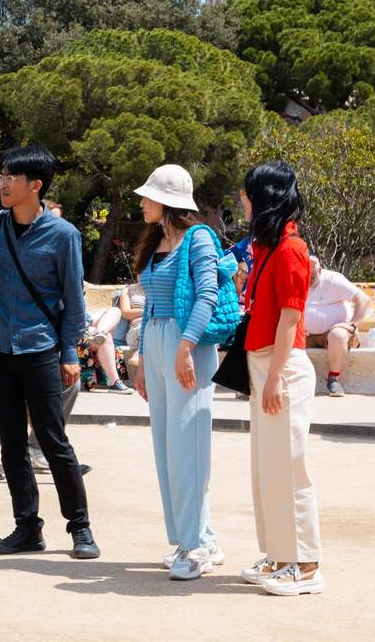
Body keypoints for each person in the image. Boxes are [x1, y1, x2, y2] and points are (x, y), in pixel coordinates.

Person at [0, 146, 99, 560]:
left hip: (41, 346)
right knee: (10, 444)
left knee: (53, 440)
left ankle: (80, 528)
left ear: (35, 185)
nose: (3, 183)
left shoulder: (64, 236)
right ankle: (27, 527)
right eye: (1, 175)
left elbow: (73, 301)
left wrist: (68, 352)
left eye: (11, 177)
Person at [129, 164, 223, 581]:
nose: (142, 201)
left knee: (189, 453)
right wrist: (145, 361)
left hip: (189, 346)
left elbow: (207, 295)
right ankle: (196, 536)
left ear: (167, 201)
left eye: (148, 196)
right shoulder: (155, 241)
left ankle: (196, 545)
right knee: (168, 451)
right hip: (159, 344)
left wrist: (184, 347)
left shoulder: (199, 238)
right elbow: (150, 306)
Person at [236, 161, 323, 596]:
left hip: (280, 365)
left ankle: (305, 564)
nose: (242, 200)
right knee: (266, 468)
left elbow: (291, 318)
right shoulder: (267, 248)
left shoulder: (290, 249)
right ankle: (278, 555)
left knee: (289, 467)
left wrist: (273, 378)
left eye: (248, 194)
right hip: (266, 363)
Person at [303, 256, 371, 398]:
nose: (308, 278)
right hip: (304, 334)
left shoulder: (333, 279)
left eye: (312, 275)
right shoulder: (295, 278)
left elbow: (363, 300)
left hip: (333, 333)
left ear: (319, 270)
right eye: (305, 274)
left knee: (338, 335)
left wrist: (352, 325)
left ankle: (334, 379)